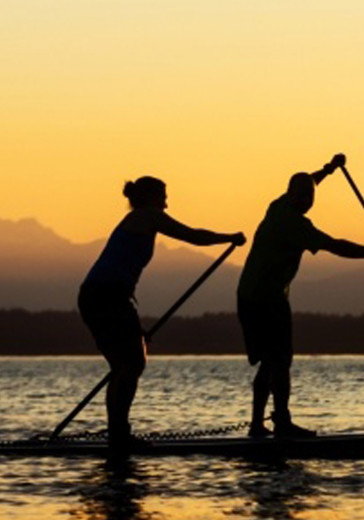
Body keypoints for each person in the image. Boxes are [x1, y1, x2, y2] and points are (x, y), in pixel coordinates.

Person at [78, 176, 246, 451]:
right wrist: (228, 237)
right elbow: (192, 235)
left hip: (106, 297)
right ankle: (119, 435)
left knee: (126, 365)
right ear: (151, 198)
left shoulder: (143, 219)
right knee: (130, 365)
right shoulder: (147, 216)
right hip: (104, 296)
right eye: (163, 196)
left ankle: (117, 433)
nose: (167, 203)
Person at [238, 153, 364, 438]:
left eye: (309, 195)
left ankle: (256, 425)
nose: (306, 199)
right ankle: (282, 424)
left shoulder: (277, 205)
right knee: (280, 361)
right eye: (301, 195)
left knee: (269, 361)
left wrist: (328, 170)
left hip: (253, 295)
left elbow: (310, 181)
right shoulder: (294, 224)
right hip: (265, 299)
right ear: (290, 194)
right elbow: (336, 246)